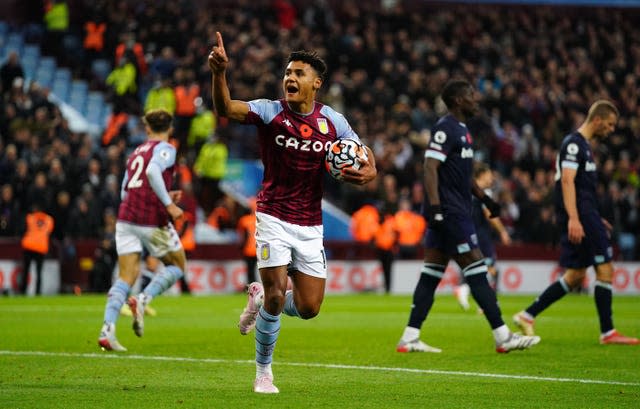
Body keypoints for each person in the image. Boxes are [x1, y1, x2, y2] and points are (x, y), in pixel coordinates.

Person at [208, 32, 377, 393]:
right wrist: (219, 74)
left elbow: (363, 151)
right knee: (274, 295)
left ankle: (257, 297)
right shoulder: (271, 111)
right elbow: (226, 109)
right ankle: (263, 372)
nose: (290, 78)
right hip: (272, 216)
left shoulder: (333, 121)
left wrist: (370, 171)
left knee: (309, 307)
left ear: (316, 83)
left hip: (310, 225)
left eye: (299, 73)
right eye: (288, 72)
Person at [396, 80, 540, 354]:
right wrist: (436, 208)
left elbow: (464, 177)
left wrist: (485, 198)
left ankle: (410, 337)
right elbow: (430, 167)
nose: (476, 100)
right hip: (451, 213)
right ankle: (503, 336)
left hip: (454, 209)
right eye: (471, 96)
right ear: (459, 100)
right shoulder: (445, 127)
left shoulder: (464, 131)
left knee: (431, 273)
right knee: (476, 267)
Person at [513, 100, 638, 345]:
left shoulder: (584, 147)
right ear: (598, 120)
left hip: (586, 214)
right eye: (610, 124)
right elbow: (567, 182)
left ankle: (527, 315)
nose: (612, 130)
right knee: (605, 269)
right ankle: (608, 332)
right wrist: (575, 218)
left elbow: (580, 188)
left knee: (575, 275)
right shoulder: (573, 144)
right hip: (580, 216)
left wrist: (593, 216)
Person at [98, 109, 187, 352]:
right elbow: (151, 172)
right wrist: (168, 204)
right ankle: (143, 300)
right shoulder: (165, 148)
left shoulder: (135, 152)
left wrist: (164, 195)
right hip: (150, 219)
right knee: (177, 266)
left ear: (147, 128)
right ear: (169, 129)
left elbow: (126, 190)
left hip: (126, 217)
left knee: (126, 276)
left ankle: (107, 330)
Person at [454, 161, 511, 310]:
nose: (491, 178)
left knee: (476, 268)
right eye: (489, 175)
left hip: (465, 233)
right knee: (490, 268)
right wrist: (503, 231)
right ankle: (468, 289)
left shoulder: (466, 190)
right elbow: (489, 215)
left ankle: (483, 300)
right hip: (481, 235)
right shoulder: (484, 193)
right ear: (482, 175)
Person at [19, 203, 54, 295]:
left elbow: (23, 229)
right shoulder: (49, 219)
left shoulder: (30, 217)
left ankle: (23, 291)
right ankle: (38, 292)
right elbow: (50, 232)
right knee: (39, 272)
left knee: (26, 270)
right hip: (41, 247)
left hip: (29, 246)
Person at [237, 197, 258, 285]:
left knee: (250, 271)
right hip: (260, 249)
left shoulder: (244, 220)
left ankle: (251, 287)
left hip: (249, 249)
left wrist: (241, 247)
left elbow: (244, 236)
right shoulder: (261, 220)